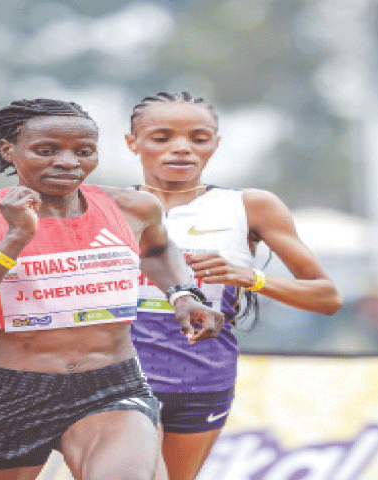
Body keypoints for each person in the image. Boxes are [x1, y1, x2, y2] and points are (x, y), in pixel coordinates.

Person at [0, 98, 225, 480]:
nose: (67, 162)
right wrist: (14, 240)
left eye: (84, 151)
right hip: (13, 390)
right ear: (9, 150)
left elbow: (158, 248)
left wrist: (182, 295)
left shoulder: (132, 208)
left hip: (111, 385)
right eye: (46, 150)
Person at [124, 91, 343, 480]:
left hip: (201, 375)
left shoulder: (250, 206)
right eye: (162, 137)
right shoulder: (107, 208)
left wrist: (252, 277)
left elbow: (327, 297)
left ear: (215, 144)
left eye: (198, 137)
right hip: (118, 376)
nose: (181, 149)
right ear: (133, 142)